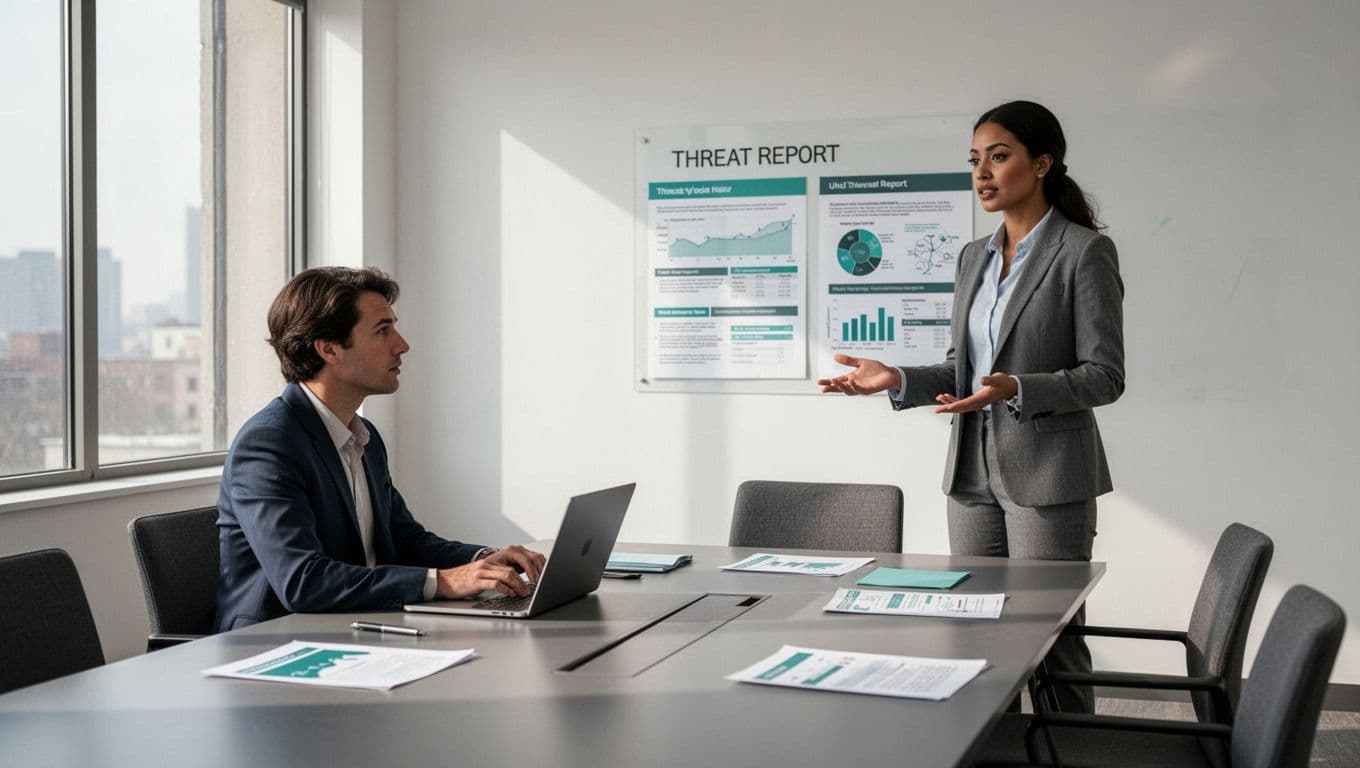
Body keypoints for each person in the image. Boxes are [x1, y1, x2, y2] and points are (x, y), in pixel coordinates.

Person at [818, 101, 1124, 713]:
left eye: (999, 156)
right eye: (975, 159)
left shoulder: (1083, 252)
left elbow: (1105, 376)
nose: (982, 172)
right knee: (974, 632)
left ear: (1042, 164)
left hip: (1048, 476)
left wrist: (1020, 389)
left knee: (1051, 640)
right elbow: (962, 366)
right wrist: (896, 377)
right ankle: (993, 748)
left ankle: (1072, 746)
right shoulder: (971, 256)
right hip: (971, 474)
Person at [213, 266, 545, 633]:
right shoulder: (268, 443)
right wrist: (444, 581)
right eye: (382, 330)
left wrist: (484, 561)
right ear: (328, 349)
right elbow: (302, 580)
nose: (402, 345)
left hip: (354, 627)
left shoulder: (363, 436)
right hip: (272, 643)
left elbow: (405, 540)